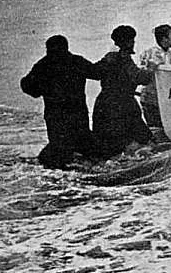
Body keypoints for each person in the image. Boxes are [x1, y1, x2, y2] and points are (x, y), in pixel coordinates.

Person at [20, 35, 101, 169]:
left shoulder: (43, 65)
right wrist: (110, 60)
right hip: (77, 113)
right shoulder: (76, 61)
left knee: (59, 147)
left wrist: (42, 89)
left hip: (55, 115)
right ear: (66, 48)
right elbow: (97, 73)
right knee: (84, 145)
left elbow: (27, 86)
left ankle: (61, 171)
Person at [92, 25, 154, 157]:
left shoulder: (108, 58)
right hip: (123, 106)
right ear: (128, 42)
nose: (133, 43)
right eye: (132, 40)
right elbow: (139, 77)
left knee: (109, 146)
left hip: (104, 104)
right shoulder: (124, 58)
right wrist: (152, 70)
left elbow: (95, 72)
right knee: (143, 143)